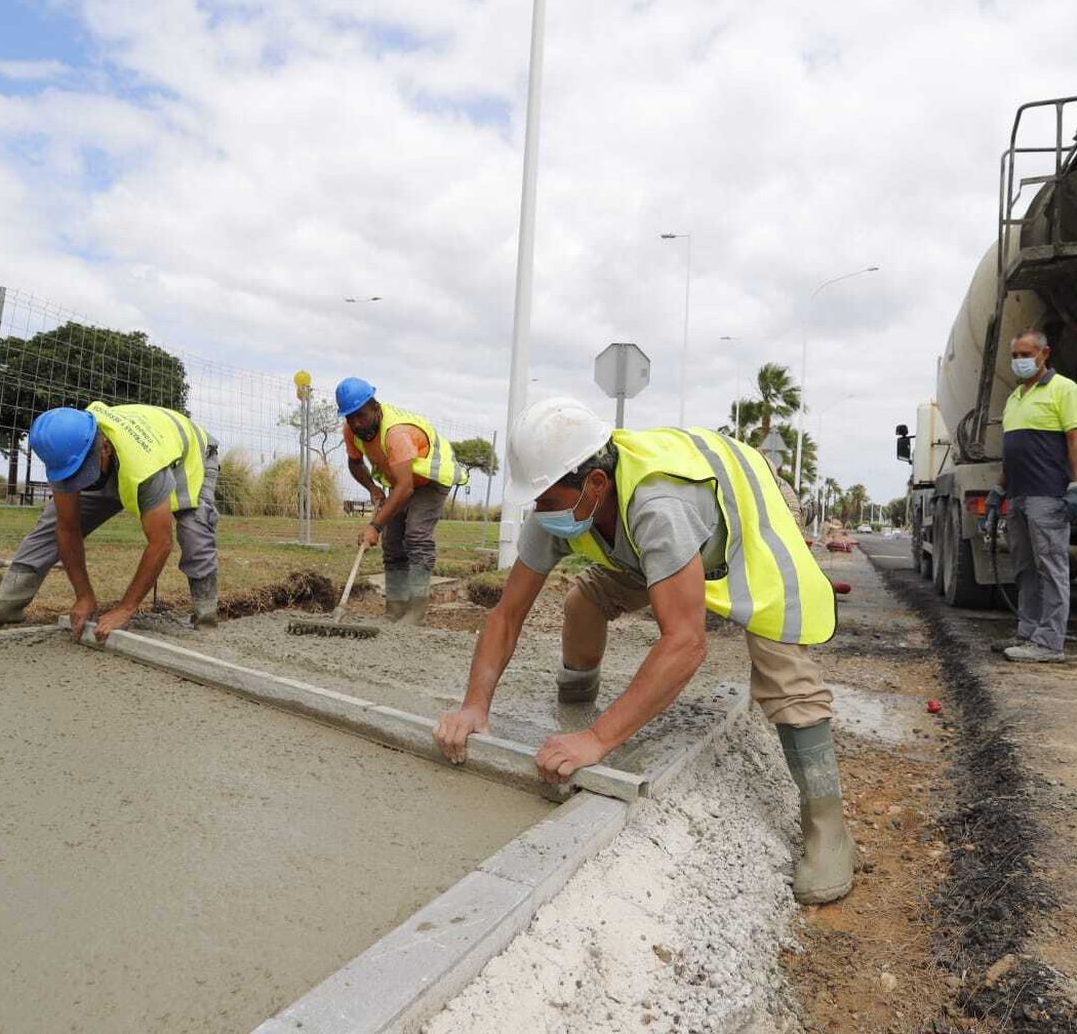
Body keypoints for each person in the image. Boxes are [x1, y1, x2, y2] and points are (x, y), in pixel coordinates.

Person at [433, 397, 854, 905]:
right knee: (583, 606)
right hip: (652, 535)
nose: (541, 515)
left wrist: (598, 741)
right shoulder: (558, 507)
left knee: (782, 670)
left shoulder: (658, 505)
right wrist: (475, 705)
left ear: (593, 483)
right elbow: (507, 613)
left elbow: (686, 643)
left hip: (749, 514)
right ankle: (577, 704)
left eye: (546, 501)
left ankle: (827, 828)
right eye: (536, 502)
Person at [0, 402, 219, 641]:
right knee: (50, 523)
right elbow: (67, 529)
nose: (81, 483)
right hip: (123, 454)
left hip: (188, 453)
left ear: (104, 447)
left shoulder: (143, 466)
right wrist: (84, 595)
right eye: (72, 476)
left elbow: (160, 542)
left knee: (194, 530)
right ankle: (8, 602)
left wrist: (126, 608)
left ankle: (205, 616)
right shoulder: (66, 446)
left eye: (84, 473)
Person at [987, 329, 1077, 663]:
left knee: (1051, 566)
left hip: (1047, 494)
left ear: (1045, 353)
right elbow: (1012, 450)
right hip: (1018, 495)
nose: (1019, 361)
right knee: (1024, 568)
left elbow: (1076, 440)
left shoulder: (1064, 389)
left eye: (1025, 354)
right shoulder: (1015, 397)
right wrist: (999, 489)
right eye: (1015, 355)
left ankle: (1049, 643)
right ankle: (1028, 632)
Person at [337, 377, 468, 624]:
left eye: (361, 415)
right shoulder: (351, 430)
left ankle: (416, 613)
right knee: (393, 542)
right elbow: (354, 462)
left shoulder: (395, 432)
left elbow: (405, 488)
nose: (356, 423)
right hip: (402, 480)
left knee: (417, 534)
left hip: (431, 479)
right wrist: (373, 488)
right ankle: (395, 609)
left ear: (375, 407)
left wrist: (374, 526)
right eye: (350, 417)